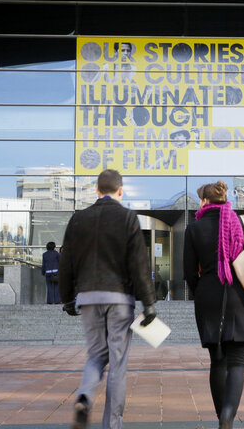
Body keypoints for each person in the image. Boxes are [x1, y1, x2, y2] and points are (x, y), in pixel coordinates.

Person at [59, 169, 157, 429]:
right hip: (119, 298)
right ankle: (112, 425)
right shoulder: (127, 218)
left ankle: (84, 396)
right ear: (120, 191)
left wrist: (67, 299)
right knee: (118, 362)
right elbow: (139, 264)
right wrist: (148, 303)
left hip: (88, 297)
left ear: (97, 190)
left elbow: (65, 262)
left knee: (95, 356)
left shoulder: (78, 219)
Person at [183, 180, 244, 429]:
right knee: (237, 362)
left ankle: (221, 419)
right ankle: (227, 416)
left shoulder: (194, 228)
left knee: (217, 360)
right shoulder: (242, 223)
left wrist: (201, 292)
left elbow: (188, 272)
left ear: (204, 201)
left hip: (208, 296)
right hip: (240, 295)